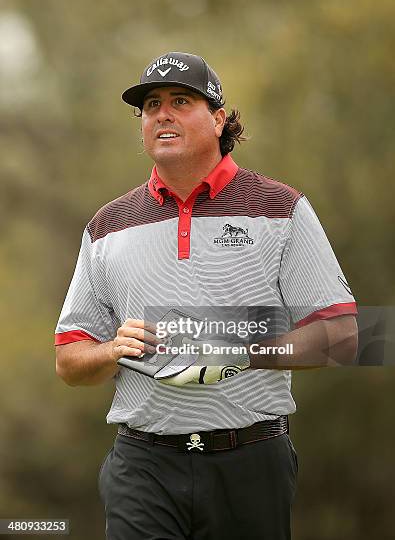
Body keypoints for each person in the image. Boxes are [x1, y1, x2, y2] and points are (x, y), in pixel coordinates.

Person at [55, 51, 358, 540]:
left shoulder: (281, 207)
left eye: (181, 101)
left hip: (250, 462)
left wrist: (240, 351)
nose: (162, 114)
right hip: (143, 466)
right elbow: (69, 360)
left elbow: (342, 336)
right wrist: (114, 349)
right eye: (151, 105)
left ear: (219, 119)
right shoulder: (107, 225)